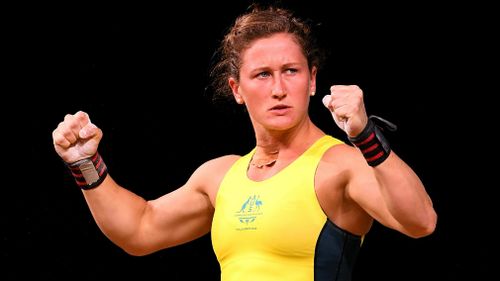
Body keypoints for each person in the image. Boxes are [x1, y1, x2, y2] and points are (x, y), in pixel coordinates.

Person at [52, 5, 437, 281]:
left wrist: (365, 135)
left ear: (313, 80)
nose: (280, 89)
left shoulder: (340, 164)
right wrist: (84, 163)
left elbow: (420, 222)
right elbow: (139, 230)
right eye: (263, 75)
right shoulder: (221, 175)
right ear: (237, 89)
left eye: (291, 71)